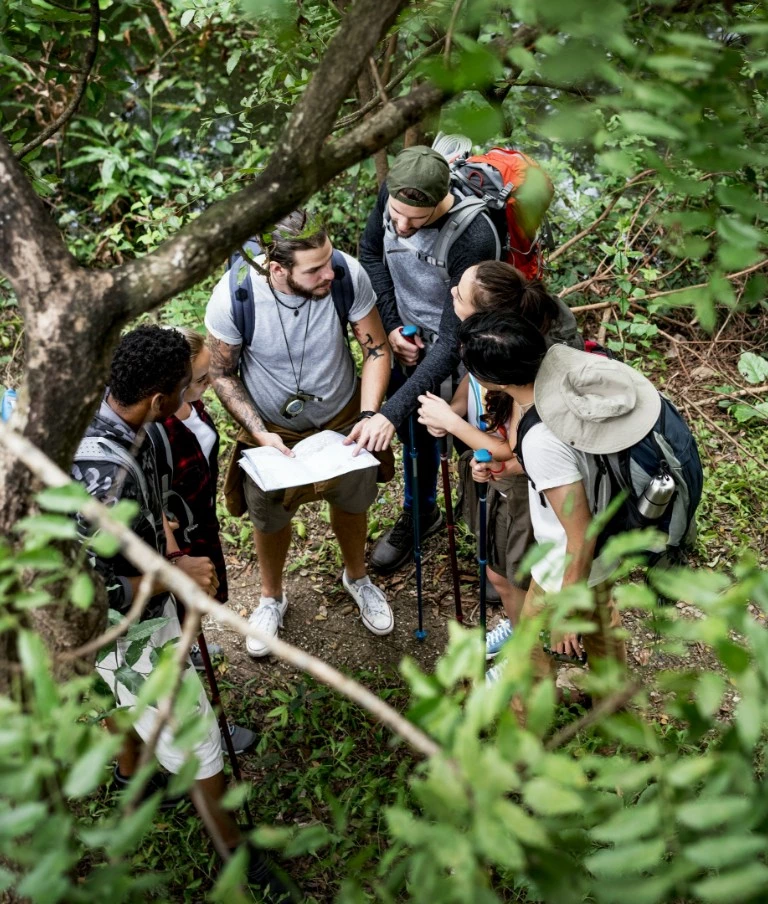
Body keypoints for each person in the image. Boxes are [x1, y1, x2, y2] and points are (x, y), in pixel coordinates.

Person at [72, 325, 290, 898]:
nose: (193, 399)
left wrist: (159, 529)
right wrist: (173, 575)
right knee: (198, 743)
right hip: (123, 625)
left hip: (131, 597)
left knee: (119, 699)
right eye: (186, 392)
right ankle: (231, 855)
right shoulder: (102, 478)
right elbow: (90, 589)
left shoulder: (110, 411)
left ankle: (131, 776)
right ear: (158, 401)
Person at [205, 209, 394, 656]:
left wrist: (369, 414)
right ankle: (272, 598)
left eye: (328, 261)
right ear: (277, 270)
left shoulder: (345, 274)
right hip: (271, 428)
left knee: (352, 500)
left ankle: (357, 577)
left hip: (346, 414)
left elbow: (377, 349)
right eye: (314, 270)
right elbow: (221, 373)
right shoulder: (234, 296)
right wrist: (259, 432)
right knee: (269, 516)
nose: (329, 272)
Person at [415, 261, 584, 657]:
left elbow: (518, 445)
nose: (451, 293)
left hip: (528, 491)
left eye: (459, 293)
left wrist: (452, 426)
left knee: (513, 576)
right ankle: (517, 628)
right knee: (497, 568)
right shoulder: (497, 347)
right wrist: (455, 410)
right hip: (501, 474)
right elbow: (474, 382)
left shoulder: (527, 374)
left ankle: (527, 655)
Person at [456, 312, 633, 687]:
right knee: (604, 632)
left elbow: (579, 534)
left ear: (494, 380)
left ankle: (523, 736)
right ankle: (613, 710)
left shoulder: (540, 438)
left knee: (530, 663)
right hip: (605, 551)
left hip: (563, 566)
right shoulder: (566, 383)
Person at [349, 145, 499, 574]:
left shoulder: (473, 235)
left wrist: (387, 413)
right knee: (417, 437)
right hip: (410, 332)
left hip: (467, 343)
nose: (400, 224)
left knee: (478, 444)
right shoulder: (394, 193)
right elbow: (372, 254)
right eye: (395, 214)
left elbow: (455, 338)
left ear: (440, 201)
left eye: (415, 220)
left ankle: (492, 547)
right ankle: (421, 514)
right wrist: (393, 326)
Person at [159, 325, 256, 756]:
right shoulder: (152, 423)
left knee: (198, 608)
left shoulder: (192, 405)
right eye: (198, 381)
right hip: (174, 547)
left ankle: (192, 643)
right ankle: (203, 724)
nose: (206, 386)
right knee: (173, 624)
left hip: (202, 526)